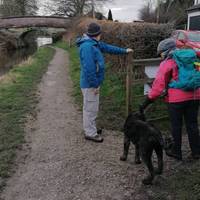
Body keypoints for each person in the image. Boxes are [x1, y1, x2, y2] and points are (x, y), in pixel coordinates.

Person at [140, 38, 200, 160]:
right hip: (195, 96)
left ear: (166, 51)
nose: (161, 56)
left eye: (161, 53)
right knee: (192, 124)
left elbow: (158, 85)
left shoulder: (168, 63)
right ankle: (196, 152)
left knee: (176, 125)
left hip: (176, 100)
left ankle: (176, 151)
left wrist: (147, 102)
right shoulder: (193, 58)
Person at [76, 22, 133, 143]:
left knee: (91, 107)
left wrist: (124, 51)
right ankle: (90, 133)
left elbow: (107, 47)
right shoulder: (87, 47)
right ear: (97, 34)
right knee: (90, 109)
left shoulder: (93, 43)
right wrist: (95, 84)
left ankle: (91, 129)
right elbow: (89, 69)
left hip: (92, 82)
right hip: (90, 84)